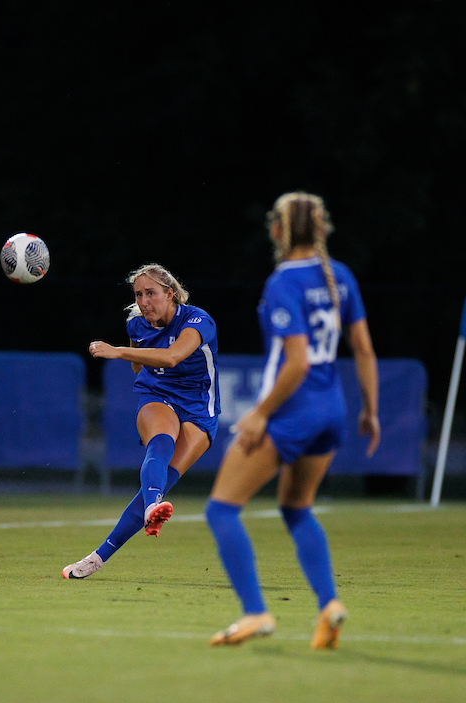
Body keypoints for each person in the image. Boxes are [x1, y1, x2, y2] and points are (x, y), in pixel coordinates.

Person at [204, 191, 379, 648]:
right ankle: (329, 605)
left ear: (279, 231)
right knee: (296, 508)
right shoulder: (340, 276)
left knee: (221, 509)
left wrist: (259, 415)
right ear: (321, 230)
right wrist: (371, 410)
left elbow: (296, 363)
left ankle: (255, 612)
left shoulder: (283, 281)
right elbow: (362, 348)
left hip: (293, 411)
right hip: (332, 410)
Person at [62, 265, 219, 579]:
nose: (144, 301)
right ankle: (151, 511)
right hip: (157, 395)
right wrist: (138, 365)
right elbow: (139, 369)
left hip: (200, 409)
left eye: (151, 293)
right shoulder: (136, 323)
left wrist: (117, 351)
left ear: (169, 294)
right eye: (138, 294)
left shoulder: (198, 320)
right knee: (160, 443)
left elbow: (174, 356)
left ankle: (99, 555)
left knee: (161, 483)